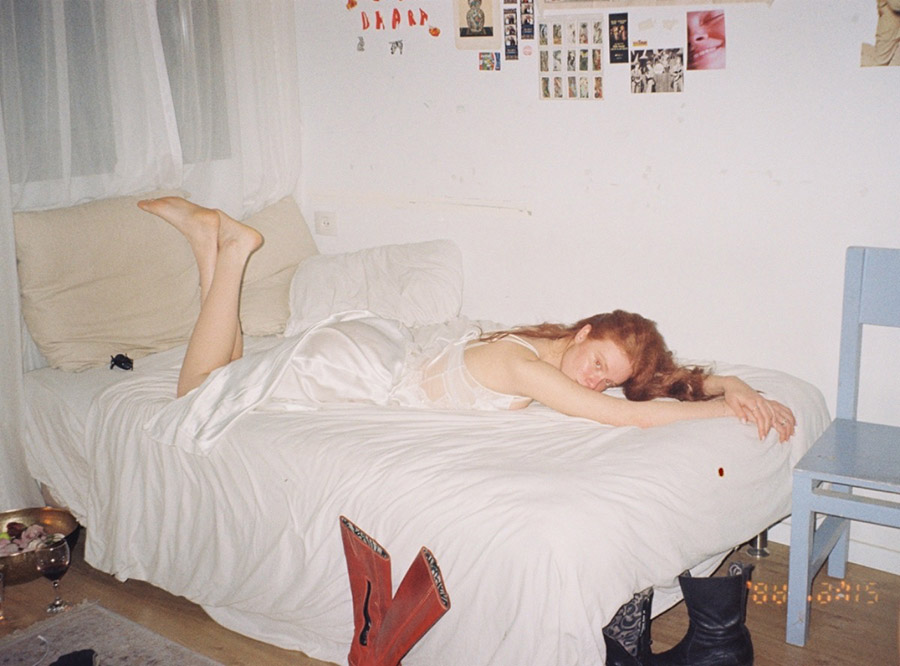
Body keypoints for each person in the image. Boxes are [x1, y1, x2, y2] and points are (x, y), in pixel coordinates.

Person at [138, 197, 796, 443]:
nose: (596, 382)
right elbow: (627, 418)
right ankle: (235, 251)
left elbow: (650, 389)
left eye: (607, 378)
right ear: (584, 331)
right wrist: (723, 413)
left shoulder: (547, 345)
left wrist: (731, 385)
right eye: (597, 363)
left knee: (233, 370)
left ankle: (209, 244)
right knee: (197, 394)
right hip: (353, 366)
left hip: (375, 348)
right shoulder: (525, 365)